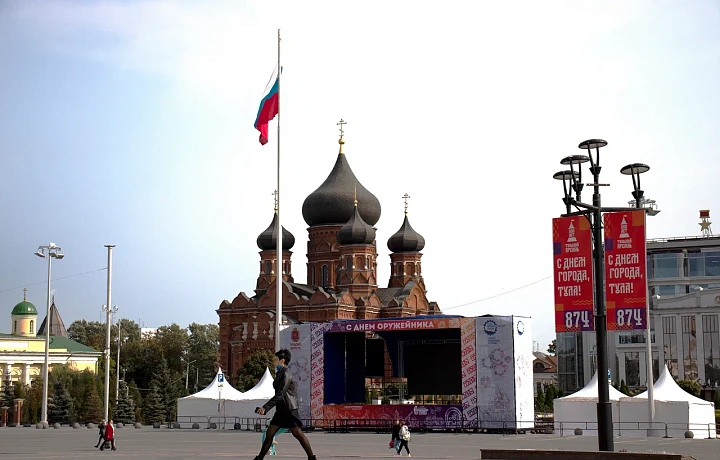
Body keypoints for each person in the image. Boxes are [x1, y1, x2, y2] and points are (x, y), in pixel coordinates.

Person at [253, 349, 317, 460]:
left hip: (289, 410)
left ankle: (312, 458)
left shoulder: (286, 374)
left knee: (298, 434)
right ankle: (259, 458)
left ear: (282, 360)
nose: (274, 361)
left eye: (275, 359)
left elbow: (280, 393)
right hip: (281, 410)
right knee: (269, 434)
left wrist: (265, 408)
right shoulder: (280, 373)